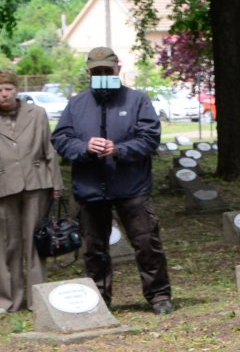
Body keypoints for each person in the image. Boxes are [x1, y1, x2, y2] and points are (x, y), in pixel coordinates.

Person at [53, 47, 170, 314]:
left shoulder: (137, 101)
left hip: (132, 187)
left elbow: (150, 138)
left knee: (146, 244)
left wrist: (120, 150)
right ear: (88, 73)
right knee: (94, 249)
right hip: (90, 189)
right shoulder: (76, 104)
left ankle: (159, 295)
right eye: (97, 72)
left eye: (107, 71)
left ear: (118, 69)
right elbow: (61, 139)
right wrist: (84, 147)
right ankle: (98, 299)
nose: (102, 75)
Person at [0, 68, 62, 313]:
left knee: (35, 243)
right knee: (8, 244)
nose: (3, 94)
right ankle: (9, 301)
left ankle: (38, 300)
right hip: (3, 187)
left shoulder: (37, 113)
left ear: (17, 90)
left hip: (36, 183)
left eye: (8, 89)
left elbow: (49, 149)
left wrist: (56, 183)